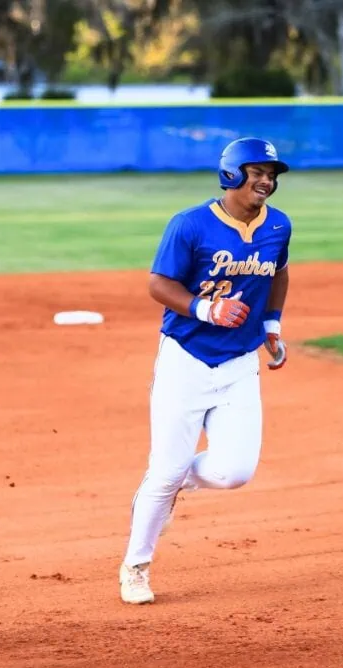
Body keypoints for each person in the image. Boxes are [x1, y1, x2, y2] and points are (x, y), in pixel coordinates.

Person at [119, 137, 292, 604]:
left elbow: (278, 272)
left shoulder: (278, 226)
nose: (267, 181)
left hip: (240, 361)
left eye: (272, 174)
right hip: (185, 358)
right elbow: (158, 283)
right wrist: (205, 309)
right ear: (232, 173)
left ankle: (176, 482)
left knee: (235, 472)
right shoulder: (190, 224)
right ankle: (136, 566)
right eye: (257, 171)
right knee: (165, 468)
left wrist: (272, 325)